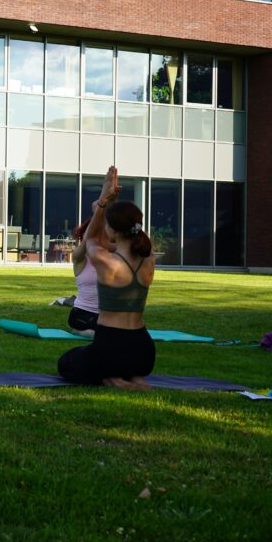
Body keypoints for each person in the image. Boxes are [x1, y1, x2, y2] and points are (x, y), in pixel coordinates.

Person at [58, 166, 156, 390]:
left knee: (66, 363)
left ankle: (114, 379)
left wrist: (103, 201)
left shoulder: (103, 258)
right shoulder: (149, 258)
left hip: (111, 346)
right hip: (144, 350)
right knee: (129, 365)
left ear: (111, 229)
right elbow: (133, 233)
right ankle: (136, 378)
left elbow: (90, 237)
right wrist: (116, 209)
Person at [67, 206, 106, 337]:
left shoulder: (110, 257)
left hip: (105, 315)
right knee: (97, 335)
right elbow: (87, 238)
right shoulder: (80, 258)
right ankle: (78, 330)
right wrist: (98, 211)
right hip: (82, 313)